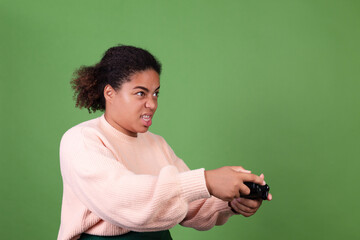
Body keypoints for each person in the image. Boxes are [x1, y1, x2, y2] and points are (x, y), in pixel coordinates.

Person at [57, 45, 272, 240]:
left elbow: (190, 204)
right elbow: (122, 199)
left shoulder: (156, 144)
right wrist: (206, 181)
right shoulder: (82, 140)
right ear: (110, 93)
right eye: (141, 93)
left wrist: (232, 202)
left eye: (156, 94)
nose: (152, 104)